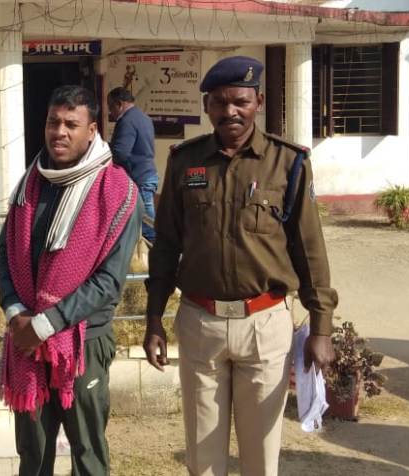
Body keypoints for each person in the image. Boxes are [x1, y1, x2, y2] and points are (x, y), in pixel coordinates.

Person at [143, 56, 338, 475]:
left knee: (260, 459)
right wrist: (153, 318)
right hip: (201, 323)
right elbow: (166, 246)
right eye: (219, 102)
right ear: (207, 106)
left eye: (240, 101)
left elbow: (309, 250)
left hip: (264, 324)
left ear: (258, 102)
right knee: (203, 460)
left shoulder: (288, 163)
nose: (230, 111)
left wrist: (321, 327)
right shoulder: (184, 162)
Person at [0, 85, 142, 476]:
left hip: (83, 342)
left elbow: (108, 282)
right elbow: (5, 252)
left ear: (92, 130)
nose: (59, 132)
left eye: (71, 124)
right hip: (26, 340)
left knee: (87, 454)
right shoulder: (30, 183)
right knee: (32, 453)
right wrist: (14, 311)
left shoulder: (118, 192)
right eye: (53, 122)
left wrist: (45, 325)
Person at [107, 87, 158, 243]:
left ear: (119, 104)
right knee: (146, 221)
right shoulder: (144, 117)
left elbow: (120, 153)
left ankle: (157, 255)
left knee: (147, 226)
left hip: (138, 178)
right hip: (147, 174)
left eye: (111, 107)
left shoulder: (126, 121)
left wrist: (104, 150)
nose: (111, 113)